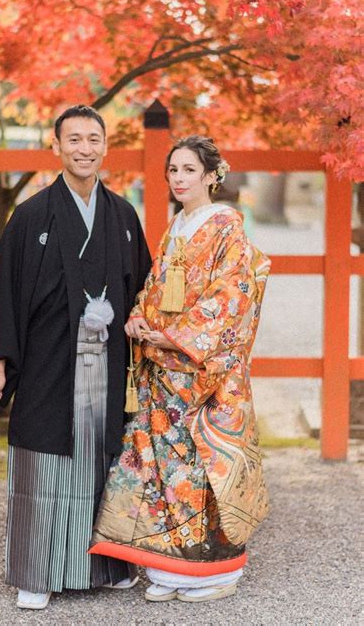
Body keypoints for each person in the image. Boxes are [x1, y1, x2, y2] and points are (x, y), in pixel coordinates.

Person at [0, 105, 151, 609]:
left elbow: (143, 293)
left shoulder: (124, 216)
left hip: (109, 363)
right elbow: (5, 292)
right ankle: (36, 572)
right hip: (48, 362)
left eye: (93, 139)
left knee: (101, 460)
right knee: (44, 460)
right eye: (74, 140)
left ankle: (107, 565)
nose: (84, 149)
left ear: (105, 147)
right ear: (56, 147)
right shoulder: (31, 216)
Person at [90, 136, 270, 603]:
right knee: (164, 467)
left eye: (189, 170)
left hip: (200, 369)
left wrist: (175, 337)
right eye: (173, 171)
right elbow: (154, 285)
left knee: (197, 465)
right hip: (163, 366)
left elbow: (233, 296)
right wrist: (139, 318)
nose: (179, 179)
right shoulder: (177, 226)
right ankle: (171, 566)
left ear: (213, 175)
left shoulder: (227, 225)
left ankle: (213, 570)